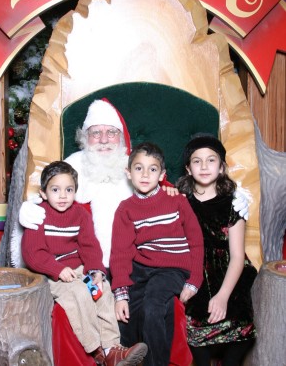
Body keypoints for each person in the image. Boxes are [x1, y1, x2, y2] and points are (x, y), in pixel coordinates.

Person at [19, 98, 250, 366]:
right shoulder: (72, 172)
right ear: (84, 137)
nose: (104, 139)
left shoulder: (151, 180)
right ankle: (111, 354)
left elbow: (184, 201)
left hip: (126, 266)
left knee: (147, 302)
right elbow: (52, 196)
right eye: (96, 132)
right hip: (93, 268)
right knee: (112, 303)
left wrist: (235, 195)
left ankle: (122, 353)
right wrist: (31, 210)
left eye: (111, 132)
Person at [21, 160, 148, 366]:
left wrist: (96, 270)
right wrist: (57, 269)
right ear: (44, 193)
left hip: (77, 268)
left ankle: (112, 348)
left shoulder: (80, 214)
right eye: (55, 190)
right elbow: (32, 253)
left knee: (102, 288)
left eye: (68, 190)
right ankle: (96, 349)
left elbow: (89, 246)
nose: (63, 196)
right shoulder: (39, 215)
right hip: (50, 273)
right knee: (79, 293)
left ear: (75, 192)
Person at [110, 142, 204, 366]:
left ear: (162, 175)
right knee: (128, 310)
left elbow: (196, 241)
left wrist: (194, 281)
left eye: (152, 169)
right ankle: (127, 356)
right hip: (143, 266)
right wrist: (121, 293)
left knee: (153, 305)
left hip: (173, 267)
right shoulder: (125, 208)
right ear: (128, 172)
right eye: (138, 168)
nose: (144, 174)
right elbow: (120, 252)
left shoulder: (177, 200)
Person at [176, 133, 257, 366]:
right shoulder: (180, 200)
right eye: (196, 161)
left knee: (241, 328)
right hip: (194, 269)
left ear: (221, 167)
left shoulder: (234, 203)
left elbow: (238, 256)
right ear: (188, 169)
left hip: (230, 268)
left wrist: (223, 296)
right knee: (195, 328)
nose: (203, 166)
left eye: (211, 160)